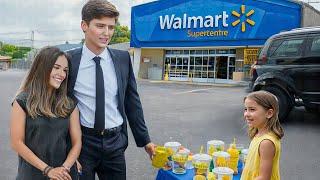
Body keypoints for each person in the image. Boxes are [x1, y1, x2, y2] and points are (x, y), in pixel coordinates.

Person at [66, 0, 155, 179]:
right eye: (100, 26)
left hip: (115, 143)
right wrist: (65, 150)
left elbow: (132, 102)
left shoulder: (122, 59)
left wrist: (145, 140)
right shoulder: (68, 61)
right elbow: (57, 105)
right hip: (81, 143)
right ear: (84, 25)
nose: (106, 33)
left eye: (111, 27)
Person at [10, 46, 82, 180]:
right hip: (32, 175)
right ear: (42, 67)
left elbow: (77, 142)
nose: (62, 74)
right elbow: (17, 142)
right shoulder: (22, 102)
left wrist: (64, 168)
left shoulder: (69, 104)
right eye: (56, 67)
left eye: (65, 70)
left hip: (64, 175)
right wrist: (48, 170)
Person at [241, 90, 284, 180]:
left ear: (269, 113)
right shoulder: (258, 134)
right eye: (246, 109)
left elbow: (264, 177)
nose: (246, 114)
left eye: (252, 109)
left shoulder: (266, 142)